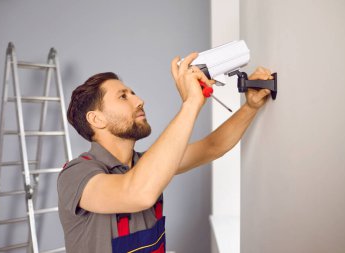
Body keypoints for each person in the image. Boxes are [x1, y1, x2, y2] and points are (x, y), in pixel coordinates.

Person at [57, 52, 273, 253]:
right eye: (123, 97)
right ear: (96, 119)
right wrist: (190, 104)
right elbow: (137, 193)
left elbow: (213, 147)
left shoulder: (145, 165)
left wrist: (250, 107)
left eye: (133, 93)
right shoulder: (75, 175)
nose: (139, 100)